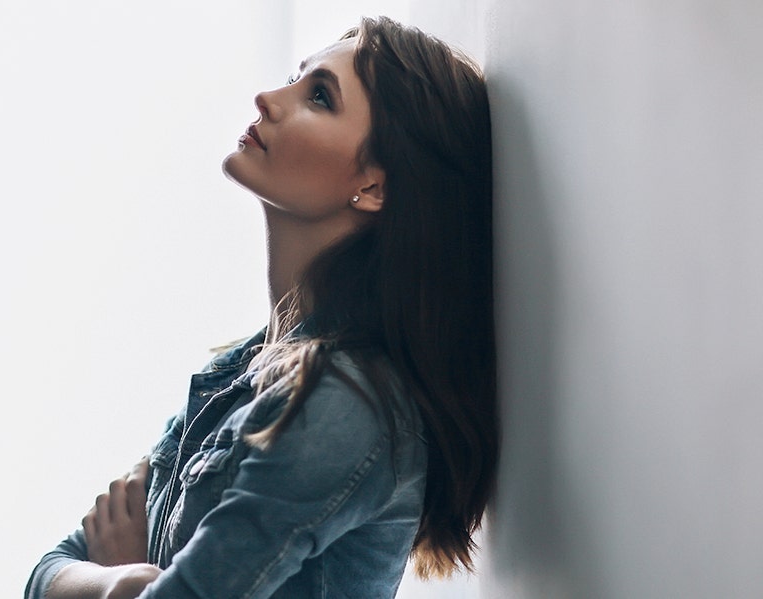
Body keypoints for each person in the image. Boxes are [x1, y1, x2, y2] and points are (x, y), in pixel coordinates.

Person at [25, 15, 497, 599]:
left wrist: (119, 579)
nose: (267, 98)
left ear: (375, 186)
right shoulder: (243, 369)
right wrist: (125, 579)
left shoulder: (344, 402)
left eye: (319, 97)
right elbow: (49, 566)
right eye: (296, 79)